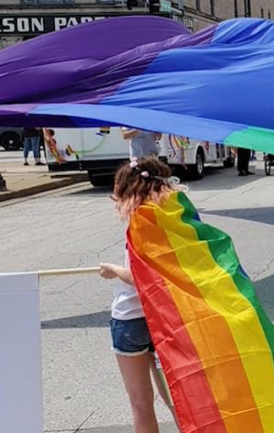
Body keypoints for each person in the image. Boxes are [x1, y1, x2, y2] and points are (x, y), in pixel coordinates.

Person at [98, 157, 181, 433]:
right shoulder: (172, 219)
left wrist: (114, 270)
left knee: (141, 403)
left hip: (131, 318)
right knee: (178, 399)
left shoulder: (140, 222)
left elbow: (139, 278)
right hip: (164, 318)